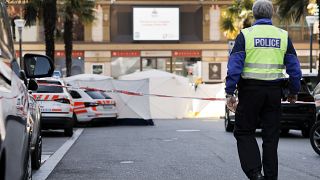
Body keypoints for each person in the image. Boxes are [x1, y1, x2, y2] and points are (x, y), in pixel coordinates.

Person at [225, 0, 302, 180]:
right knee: (271, 137)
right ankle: (270, 177)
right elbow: (295, 69)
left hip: (250, 91)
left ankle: (254, 173)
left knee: (244, 131)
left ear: (254, 14)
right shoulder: (283, 36)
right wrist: (293, 91)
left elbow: (234, 67)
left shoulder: (245, 35)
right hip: (274, 93)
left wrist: (230, 92)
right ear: (271, 14)